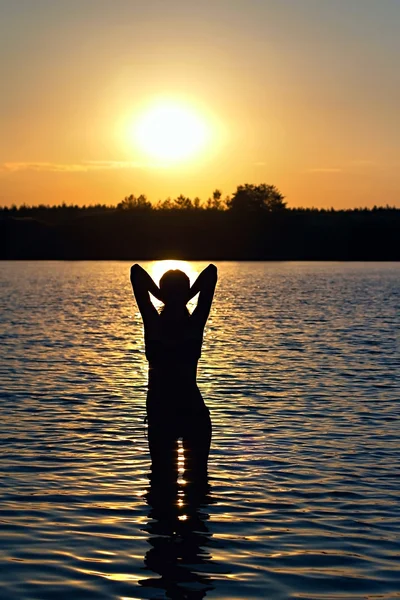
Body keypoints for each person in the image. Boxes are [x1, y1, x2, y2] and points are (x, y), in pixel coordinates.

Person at [130, 263, 218, 488]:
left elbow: (136, 272)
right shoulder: (194, 324)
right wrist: (186, 296)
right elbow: (211, 273)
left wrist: (165, 297)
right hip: (186, 413)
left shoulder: (154, 324)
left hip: (166, 414)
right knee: (197, 489)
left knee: (161, 487)